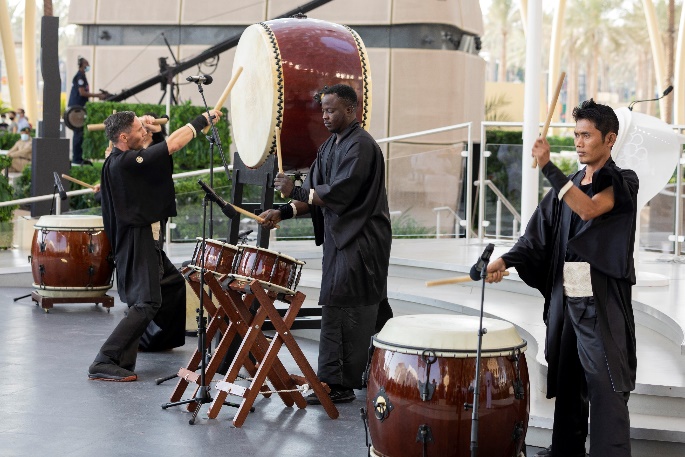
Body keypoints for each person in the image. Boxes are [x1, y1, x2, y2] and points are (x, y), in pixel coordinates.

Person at [485, 99, 639, 457]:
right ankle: (566, 451)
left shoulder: (622, 181)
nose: (579, 142)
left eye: (587, 135)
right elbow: (535, 238)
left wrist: (548, 167)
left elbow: (589, 209)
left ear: (610, 139)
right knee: (568, 377)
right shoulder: (566, 186)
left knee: (605, 382)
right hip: (565, 294)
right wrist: (504, 261)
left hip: (599, 300)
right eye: (576, 135)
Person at [258, 84, 392, 404]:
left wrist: (295, 192)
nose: (325, 115)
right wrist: (283, 211)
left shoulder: (361, 147)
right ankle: (380, 368)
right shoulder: (330, 146)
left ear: (350, 110)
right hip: (341, 239)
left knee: (342, 305)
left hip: (362, 240)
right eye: (323, 110)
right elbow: (316, 195)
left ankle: (336, 383)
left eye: (331, 110)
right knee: (359, 307)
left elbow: (339, 195)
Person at [88, 108, 222, 382]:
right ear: (123, 137)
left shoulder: (126, 158)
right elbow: (172, 146)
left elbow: (157, 159)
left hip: (143, 236)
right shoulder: (122, 161)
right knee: (147, 301)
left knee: (170, 283)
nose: (144, 131)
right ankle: (105, 360)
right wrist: (202, 121)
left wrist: (155, 131)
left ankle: (147, 345)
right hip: (136, 238)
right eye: (139, 130)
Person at [68, 57, 106, 166]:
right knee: (78, 133)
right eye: (87, 64)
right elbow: (82, 93)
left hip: (80, 108)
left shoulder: (82, 76)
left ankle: (78, 158)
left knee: (80, 133)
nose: (88, 65)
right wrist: (98, 95)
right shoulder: (80, 76)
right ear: (82, 65)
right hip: (77, 108)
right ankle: (76, 159)